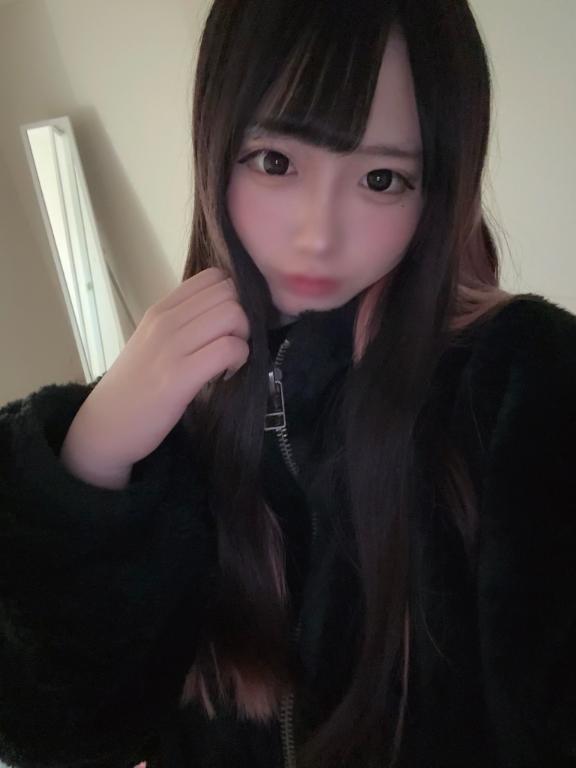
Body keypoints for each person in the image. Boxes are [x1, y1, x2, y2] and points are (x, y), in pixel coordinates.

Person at [0, 1, 575, 767]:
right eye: (276, 162)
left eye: (381, 179)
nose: (318, 234)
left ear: (439, 188)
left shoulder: (524, 381)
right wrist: (92, 456)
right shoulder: (174, 402)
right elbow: (55, 731)